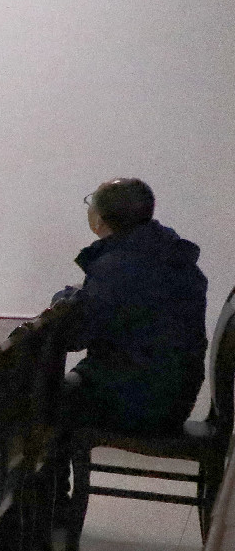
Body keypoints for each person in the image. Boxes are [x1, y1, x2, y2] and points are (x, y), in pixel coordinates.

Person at [55, 178, 207, 435]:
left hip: (137, 400)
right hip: (174, 395)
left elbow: (74, 336)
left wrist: (65, 297)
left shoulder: (117, 266)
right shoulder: (169, 250)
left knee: (32, 401)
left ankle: (48, 465)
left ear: (99, 219)